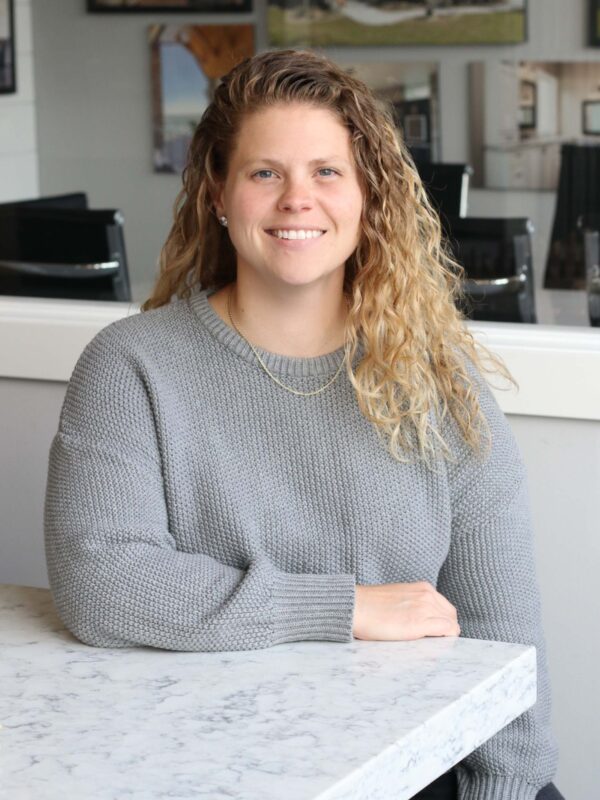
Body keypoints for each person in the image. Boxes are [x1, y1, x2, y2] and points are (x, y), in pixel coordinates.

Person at [44, 49, 563, 800]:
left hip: (427, 777)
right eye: (265, 173)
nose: (297, 200)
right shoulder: (132, 367)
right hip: (217, 772)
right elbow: (103, 582)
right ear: (219, 195)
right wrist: (345, 607)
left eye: (327, 172)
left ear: (366, 198)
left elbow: (508, 649)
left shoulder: (441, 384)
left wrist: (505, 792)